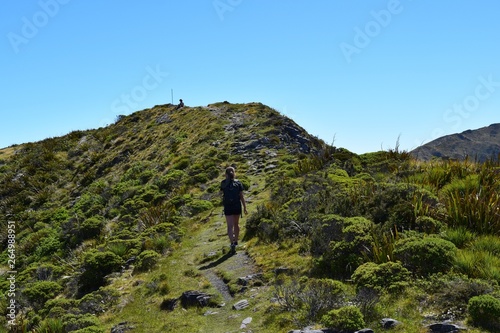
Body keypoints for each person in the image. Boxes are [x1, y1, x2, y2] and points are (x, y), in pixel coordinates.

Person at [220, 167, 247, 254]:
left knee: (229, 226)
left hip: (228, 207)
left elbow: (221, 195)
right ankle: (236, 242)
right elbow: (241, 196)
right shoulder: (238, 183)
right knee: (236, 224)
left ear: (226, 174)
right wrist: (245, 208)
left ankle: (231, 243)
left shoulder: (223, 183)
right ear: (234, 173)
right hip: (236, 206)